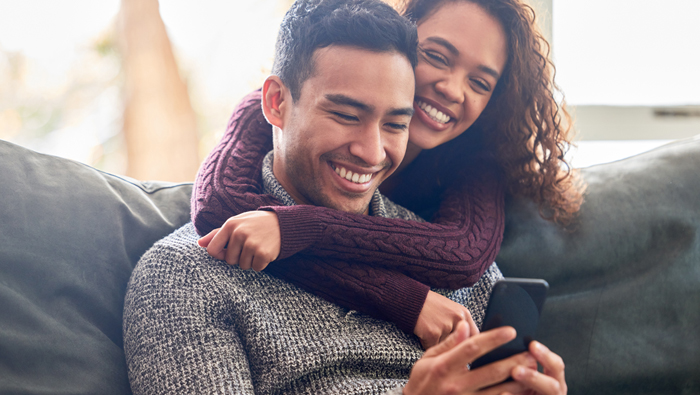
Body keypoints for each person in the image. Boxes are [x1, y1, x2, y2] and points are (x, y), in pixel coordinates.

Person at [124, 0, 566, 393]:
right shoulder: (184, 277)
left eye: (396, 124)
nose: (372, 153)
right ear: (276, 103)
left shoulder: (459, 271)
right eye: (346, 115)